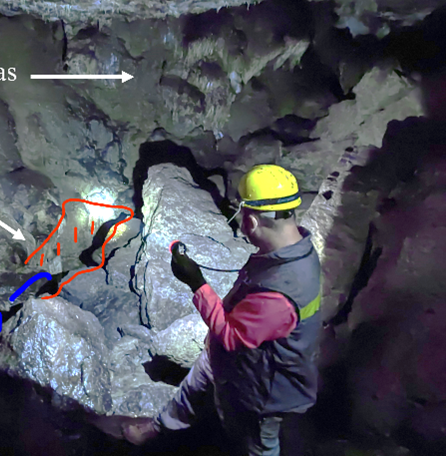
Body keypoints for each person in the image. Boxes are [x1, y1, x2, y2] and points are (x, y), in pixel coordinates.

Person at [122, 164, 322, 456]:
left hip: (263, 385)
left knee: (257, 442)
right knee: (196, 383)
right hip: (232, 358)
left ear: (252, 222)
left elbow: (231, 337)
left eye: (242, 214)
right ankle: (159, 428)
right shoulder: (294, 250)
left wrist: (197, 283)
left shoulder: (282, 289)